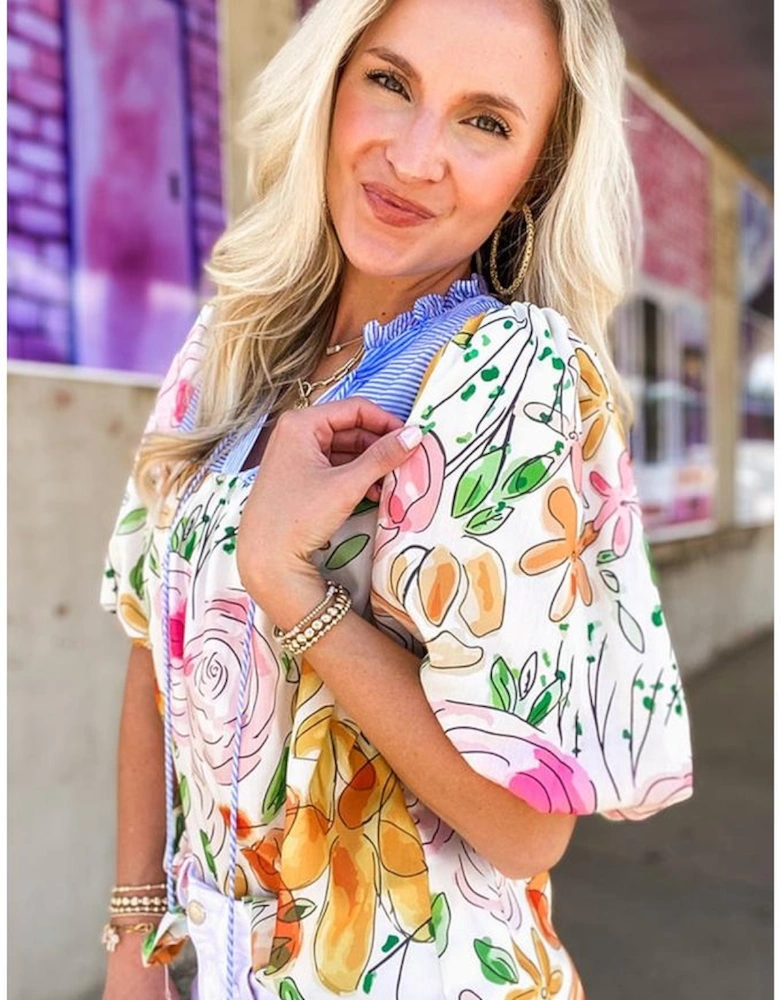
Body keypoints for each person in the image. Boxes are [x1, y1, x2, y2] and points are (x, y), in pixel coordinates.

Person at [99, 0, 694, 997]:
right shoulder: (225, 350)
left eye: (485, 121)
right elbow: (147, 655)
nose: (414, 157)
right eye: (391, 81)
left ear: (533, 175)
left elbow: (526, 829)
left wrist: (291, 582)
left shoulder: (513, 384)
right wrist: (131, 935)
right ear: (330, 86)